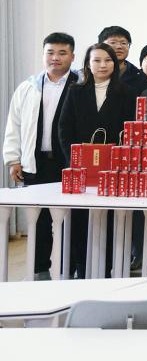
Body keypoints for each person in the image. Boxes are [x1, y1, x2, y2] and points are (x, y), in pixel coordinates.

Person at [3, 32, 77, 279]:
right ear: (43, 54)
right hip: (36, 163)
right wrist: (13, 159)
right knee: (39, 220)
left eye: (62, 53)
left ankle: (69, 271)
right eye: (50, 52)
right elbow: (14, 124)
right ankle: (39, 271)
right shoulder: (28, 87)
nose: (55, 58)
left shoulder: (80, 85)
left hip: (68, 164)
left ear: (72, 56)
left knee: (71, 220)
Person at [58, 42, 135, 278]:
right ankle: (81, 270)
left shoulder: (126, 93)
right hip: (80, 170)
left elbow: (130, 131)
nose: (102, 65)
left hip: (113, 172)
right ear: (87, 64)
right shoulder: (75, 91)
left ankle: (108, 271)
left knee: (111, 223)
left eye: (108, 60)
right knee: (79, 222)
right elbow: (64, 128)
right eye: (97, 60)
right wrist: (75, 161)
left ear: (115, 64)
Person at [98, 25, 147, 96]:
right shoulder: (89, 74)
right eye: (113, 42)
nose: (119, 46)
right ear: (101, 46)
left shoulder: (139, 77)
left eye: (123, 43)